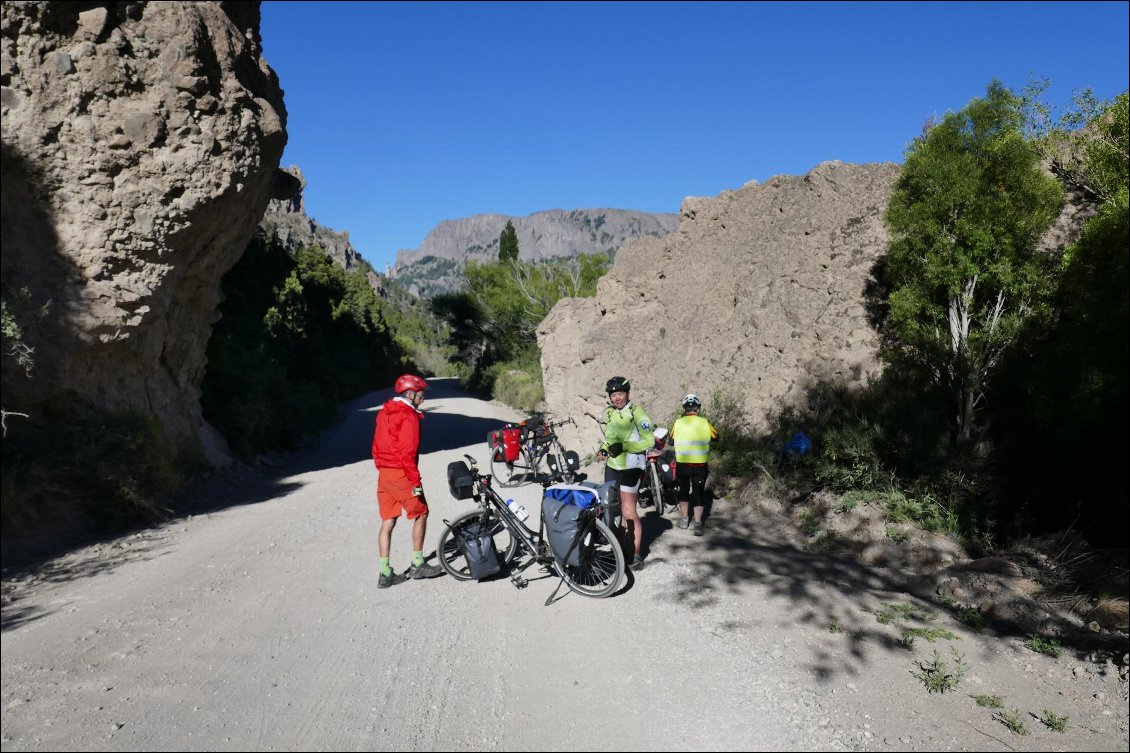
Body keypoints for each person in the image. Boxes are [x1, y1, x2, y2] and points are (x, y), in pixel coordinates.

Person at [371, 374, 443, 588]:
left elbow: (375, 447)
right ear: (410, 394)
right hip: (400, 472)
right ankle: (418, 564)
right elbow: (407, 453)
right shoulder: (409, 417)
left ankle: (385, 574)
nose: (423, 398)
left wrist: (382, 468)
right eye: (421, 394)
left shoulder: (384, 413)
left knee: (388, 521)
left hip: (384, 472)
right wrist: (415, 481)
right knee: (421, 513)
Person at [597, 376, 655, 571]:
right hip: (613, 467)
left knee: (629, 511)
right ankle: (620, 552)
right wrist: (604, 449)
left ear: (627, 393)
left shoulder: (637, 413)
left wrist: (625, 446)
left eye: (620, 394)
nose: (617, 398)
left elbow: (649, 442)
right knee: (614, 511)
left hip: (632, 466)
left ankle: (637, 554)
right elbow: (609, 438)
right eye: (613, 395)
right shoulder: (611, 414)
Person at [669, 393, 719, 537]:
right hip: (700, 465)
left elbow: (671, 441)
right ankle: (698, 525)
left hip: (683, 465)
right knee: (698, 493)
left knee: (684, 491)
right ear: (698, 408)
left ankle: (684, 520)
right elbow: (717, 437)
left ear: (684, 409)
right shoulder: (705, 422)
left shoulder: (677, 423)